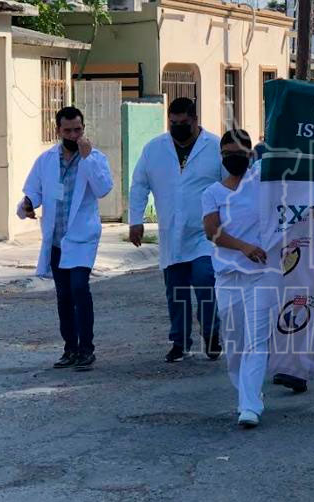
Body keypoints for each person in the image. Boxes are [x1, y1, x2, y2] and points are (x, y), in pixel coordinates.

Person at [16, 106, 113, 370]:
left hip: (82, 237)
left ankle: (86, 349)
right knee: (64, 296)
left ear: (84, 129)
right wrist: (27, 204)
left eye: (78, 130)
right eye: (68, 130)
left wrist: (88, 158)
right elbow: (33, 191)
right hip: (57, 239)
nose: (73, 135)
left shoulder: (94, 158)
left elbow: (103, 189)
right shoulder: (46, 160)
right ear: (58, 130)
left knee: (80, 289)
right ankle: (70, 348)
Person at [129, 98, 223, 363]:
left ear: (195, 120)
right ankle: (180, 342)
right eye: (173, 123)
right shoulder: (154, 149)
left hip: (206, 234)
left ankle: (211, 333)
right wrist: (136, 220)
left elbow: (230, 185)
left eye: (184, 123)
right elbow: (139, 185)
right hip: (171, 233)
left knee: (205, 281)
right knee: (176, 291)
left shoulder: (214, 147)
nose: (178, 128)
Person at [202, 129, 280, 428]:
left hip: (261, 275)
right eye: (227, 154)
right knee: (234, 345)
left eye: (238, 153)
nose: (232, 158)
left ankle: (249, 405)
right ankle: (248, 391)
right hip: (228, 276)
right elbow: (212, 232)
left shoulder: (263, 183)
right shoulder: (212, 193)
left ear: (250, 154)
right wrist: (243, 247)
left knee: (256, 341)